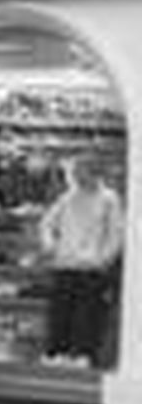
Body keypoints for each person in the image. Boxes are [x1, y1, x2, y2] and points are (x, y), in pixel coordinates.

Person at [39, 155, 123, 366]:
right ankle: (57, 353)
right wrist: (50, 246)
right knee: (60, 313)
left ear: (94, 173)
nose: (76, 178)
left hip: (91, 269)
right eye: (75, 174)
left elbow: (116, 234)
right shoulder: (68, 197)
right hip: (64, 264)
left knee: (87, 315)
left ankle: (82, 354)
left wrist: (103, 260)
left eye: (80, 173)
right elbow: (46, 223)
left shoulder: (109, 199)